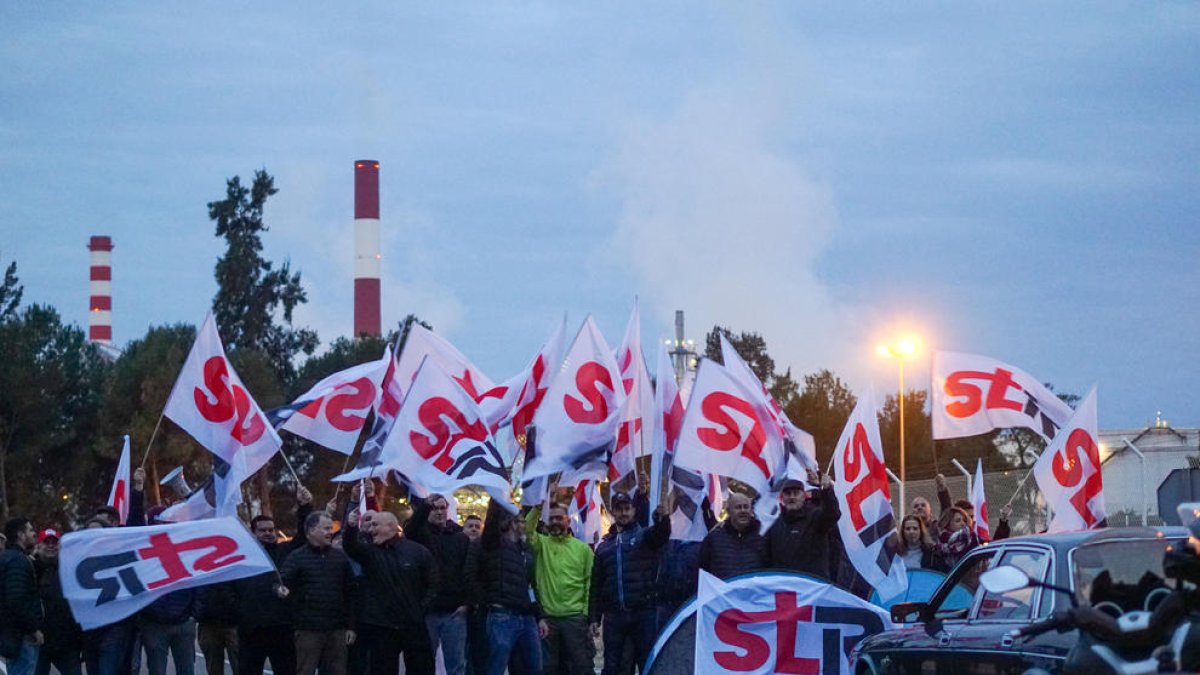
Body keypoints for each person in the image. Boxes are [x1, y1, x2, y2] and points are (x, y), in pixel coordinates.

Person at [344, 508, 437, 675]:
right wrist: (351, 527)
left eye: (375, 525)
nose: (371, 530)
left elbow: (433, 584)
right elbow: (351, 547)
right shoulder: (370, 552)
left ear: (391, 526)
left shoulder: (418, 551)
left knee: (421, 669)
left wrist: (421, 608)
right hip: (382, 627)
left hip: (413, 625)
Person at [589, 491, 670, 675]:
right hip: (614, 617)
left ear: (633, 510)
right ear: (613, 512)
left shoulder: (644, 537)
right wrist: (594, 617)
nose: (624, 513)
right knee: (613, 666)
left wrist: (661, 518)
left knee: (647, 662)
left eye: (627, 508)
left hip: (643, 614)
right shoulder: (604, 547)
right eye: (619, 509)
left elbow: (661, 535)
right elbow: (596, 586)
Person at [235, 489, 312, 675]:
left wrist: (305, 507)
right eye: (262, 530)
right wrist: (241, 613)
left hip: (282, 628)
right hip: (251, 629)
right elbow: (230, 589)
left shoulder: (285, 550)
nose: (268, 533)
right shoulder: (243, 557)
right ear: (253, 532)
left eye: (271, 530)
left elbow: (302, 537)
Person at [464, 499, 546, 675]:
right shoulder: (490, 543)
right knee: (494, 668)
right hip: (501, 616)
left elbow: (530, 584)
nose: (523, 524)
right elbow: (470, 576)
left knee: (534, 668)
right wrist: (484, 602)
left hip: (526, 618)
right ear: (510, 522)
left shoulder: (525, 549)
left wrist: (539, 616)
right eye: (520, 520)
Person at [279, 512, 358, 675]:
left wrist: (351, 627)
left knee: (336, 671)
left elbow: (350, 592)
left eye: (331, 528)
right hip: (308, 629)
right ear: (311, 530)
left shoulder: (340, 558)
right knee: (305, 670)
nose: (330, 532)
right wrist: (280, 589)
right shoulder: (296, 557)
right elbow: (282, 582)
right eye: (326, 528)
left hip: (336, 628)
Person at [404, 494, 470, 675]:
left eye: (442, 508)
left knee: (456, 666)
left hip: (454, 611)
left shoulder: (460, 536)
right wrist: (425, 505)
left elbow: (468, 571)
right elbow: (411, 528)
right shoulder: (420, 534)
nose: (439, 512)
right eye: (435, 508)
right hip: (428, 610)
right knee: (423, 663)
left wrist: (466, 603)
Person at [526, 502, 594, 675]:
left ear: (568, 521)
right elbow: (526, 531)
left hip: (575, 619)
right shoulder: (541, 545)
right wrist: (537, 508)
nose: (554, 521)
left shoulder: (583, 549)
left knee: (581, 668)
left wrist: (585, 614)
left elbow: (590, 584)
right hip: (548, 621)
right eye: (551, 518)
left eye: (559, 517)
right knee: (549, 669)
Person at [765, 474, 840, 581]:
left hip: (812, 585)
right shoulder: (774, 524)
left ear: (803, 496)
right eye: (788, 493)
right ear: (782, 498)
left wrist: (827, 491)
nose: (792, 497)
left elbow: (832, 514)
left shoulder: (815, 518)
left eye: (796, 493)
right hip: (784, 586)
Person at [32, 529, 82, 675]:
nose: (51, 546)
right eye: (46, 542)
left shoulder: (71, 569)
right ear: (39, 545)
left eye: (54, 542)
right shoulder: (30, 568)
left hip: (67, 643)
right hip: (39, 642)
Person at [1, 517, 43, 675]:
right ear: (20, 534)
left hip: (14, 633)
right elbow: (16, 599)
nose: (34, 534)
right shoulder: (17, 561)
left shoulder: (11, 558)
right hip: (21, 636)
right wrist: (33, 629)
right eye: (30, 530)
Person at [699, 492, 765, 580]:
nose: (743, 511)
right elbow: (703, 571)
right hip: (724, 592)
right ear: (729, 511)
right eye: (738, 507)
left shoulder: (763, 536)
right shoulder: (713, 539)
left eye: (746, 507)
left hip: (756, 591)